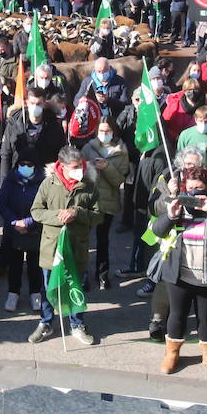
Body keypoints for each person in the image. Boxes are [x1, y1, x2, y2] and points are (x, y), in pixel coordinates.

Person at [148, 166, 207, 378]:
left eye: (199, 189)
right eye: (190, 189)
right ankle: (172, 354)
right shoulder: (177, 204)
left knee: (206, 318)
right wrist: (171, 215)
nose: (194, 193)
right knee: (176, 315)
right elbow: (157, 231)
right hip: (179, 274)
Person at [28, 145, 101, 346]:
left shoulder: (89, 185)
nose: (80, 170)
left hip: (76, 248)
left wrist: (78, 213)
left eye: (82, 166)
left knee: (75, 287)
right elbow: (36, 211)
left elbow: (98, 215)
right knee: (48, 287)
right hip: (52, 248)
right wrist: (58, 216)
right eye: (75, 167)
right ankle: (46, 322)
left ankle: (77, 324)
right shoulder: (48, 183)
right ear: (63, 167)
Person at [80, 116, 130, 291]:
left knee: (103, 240)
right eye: (101, 131)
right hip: (88, 201)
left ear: (113, 132)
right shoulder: (88, 148)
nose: (104, 134)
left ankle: (102, 274)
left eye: (107, 131)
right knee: (84, 239)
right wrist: (90, 166)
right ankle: (83, 274)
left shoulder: (121, 151)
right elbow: (79, 173)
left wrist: (106, 167)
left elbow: (119, 180)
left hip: (108, 202)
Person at [0, 150, 44, 312]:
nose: (25, 167)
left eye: (29, 165)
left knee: (34, 264)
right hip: (13, 229)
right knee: (14, 263)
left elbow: (44, 207)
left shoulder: (42, 182)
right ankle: (13, 293)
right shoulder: (10, 181)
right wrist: (15, 222)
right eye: (22, 164)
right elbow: (2, 205)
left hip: (35, 230)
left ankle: (35, 292)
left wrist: (27, 222)